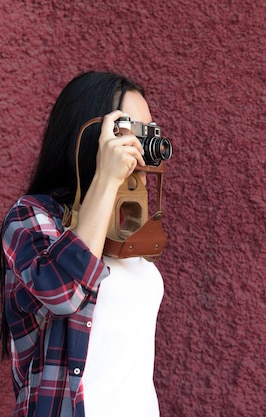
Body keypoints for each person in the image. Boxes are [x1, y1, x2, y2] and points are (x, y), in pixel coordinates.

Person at [0, 72, 164, 417]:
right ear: (91, 134)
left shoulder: (128, 227)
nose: (143, 145)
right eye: (131, 130)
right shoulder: (31, 217)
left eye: (149, 130)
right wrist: (106, 178)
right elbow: (64, 294)